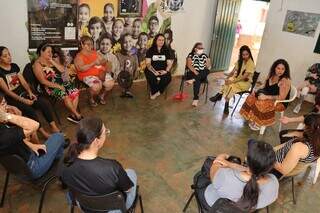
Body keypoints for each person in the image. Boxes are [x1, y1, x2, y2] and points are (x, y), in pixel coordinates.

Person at [60, 117, 138, 212]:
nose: (106, 134)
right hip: (112, 209)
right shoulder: (112, 167)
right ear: (96, 141)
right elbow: (128, 190)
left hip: (84, 206)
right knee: (131, 172)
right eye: (105, 132)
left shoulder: (66, 161)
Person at [0, 93, 65, 179]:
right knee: (58, 136)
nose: (7, 106)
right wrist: (7, 116)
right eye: (4, 104)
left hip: (20, 169)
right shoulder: (4, 133)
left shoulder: (3, 128)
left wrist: (32, 145)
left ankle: (57, 163)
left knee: (55, 147)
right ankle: (60, 168)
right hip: (32, 168)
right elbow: (35, 125)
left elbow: (13, 140)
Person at [0, 46, 60, 138]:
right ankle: (44, 133)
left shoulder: (14, 66)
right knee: (30, 110)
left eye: (9, 54)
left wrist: (30, 92)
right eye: (5, 56)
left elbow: (23, 82)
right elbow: (7, 92)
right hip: (12, 99)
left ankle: (54, 127)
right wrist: (23, 100)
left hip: (23, 94)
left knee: (44, 102)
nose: (9, 57)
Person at [204, 139, 278, 211]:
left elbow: (214, 168)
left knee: (206, 168)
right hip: (244, 210)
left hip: (216, 206)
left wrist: (222, 156)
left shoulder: (225, 177)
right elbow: (250, 173)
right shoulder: (274, 183)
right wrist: (231, 165)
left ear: (246, 159)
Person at [33, 43, 82, 124]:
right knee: (65, 96)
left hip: (61, 83)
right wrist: (58, 86)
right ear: (41, 52)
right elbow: (43, 81)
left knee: (75, 92)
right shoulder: (37, 65)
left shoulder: (50, 60)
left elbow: (62, 70)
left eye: (51, 52)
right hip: (49, 87)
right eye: (48, 52)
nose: (51, 54)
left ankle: (72, 115)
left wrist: (52, 61)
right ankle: (77, 115)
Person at [240, 59, 291, 130]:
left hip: (280, 102)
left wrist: (266, 97)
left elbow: (281, 97)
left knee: (261, 103)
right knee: (251, 97)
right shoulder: (271, 74)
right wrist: (255, 89)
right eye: (278, 68)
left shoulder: (285, 80)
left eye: (283, 69)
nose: (280, 71)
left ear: (286, 70)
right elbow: (264, 85)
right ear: (274, 68)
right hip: (268, 95)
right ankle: (252, 117)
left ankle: (259, 123)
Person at [272, 113, 320, 179]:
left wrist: (268, 157)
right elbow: (289, 144)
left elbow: (282, 170)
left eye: (305, 126)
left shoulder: (299, 148)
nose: (303, 128)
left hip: (275, 168)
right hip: (281, 158)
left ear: (310, 130)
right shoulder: (315, 141)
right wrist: (273, 149)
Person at [210, 45, 255, 114]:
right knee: (228, 82)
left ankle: (220, 96)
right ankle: (224, 101)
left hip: (245, 83)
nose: (245, 56)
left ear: (249, 54)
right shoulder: (240, 61)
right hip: (237, 80)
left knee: (231, 86)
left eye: (247, 54)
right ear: (241, 55)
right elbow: (232, 72)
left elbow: (243, 77)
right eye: (243, 55)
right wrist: (226, 79)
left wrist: (232, 81)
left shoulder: (251, 63)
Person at [74, 36, 112, 106]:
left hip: (100, 73)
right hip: (87, 75)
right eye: (87, 44)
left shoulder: (95, 53)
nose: (90, 46)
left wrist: (106, 65)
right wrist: (93, 63)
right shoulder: (79, 56)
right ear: (82, 45)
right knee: (96, 87)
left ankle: (101, 96)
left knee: (110, 84)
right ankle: (91, 98)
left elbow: (104, 61)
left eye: (91, 44)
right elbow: (81, 69)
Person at [145, 34, 173, 100]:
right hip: (151, 69)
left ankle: (158, 92)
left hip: (163, 70)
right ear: (156, 41)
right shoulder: (150, 50)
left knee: (167, 78)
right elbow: (148, 64)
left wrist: (166, 71)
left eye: (163, 40)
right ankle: (155, 91)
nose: (161, 41)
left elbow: (169, 64)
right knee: (152, 77)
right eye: (159, 40)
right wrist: (154, 72)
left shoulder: (166, 50)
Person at [185, 42, 211, 107]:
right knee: (197, 80)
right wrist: (194, 71)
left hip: (202, 73)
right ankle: (196, 98)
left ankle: (193, 80)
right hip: (192, 72)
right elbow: (189, 65)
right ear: (195, 48)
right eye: (200, 48)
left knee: (207, 70)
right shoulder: (191, 55)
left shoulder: (205, 55)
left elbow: (209, 66)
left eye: (202, 48)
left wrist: (208, 62)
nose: (201, 49)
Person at [115, 34, 138, 98]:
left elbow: (135, 70)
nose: (128, 44)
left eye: (130, 41)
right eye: (125, 42)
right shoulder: (117, 55)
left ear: (132, 42)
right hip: (120, 83)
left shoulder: (134, 56)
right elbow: (116, 71)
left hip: (131, 83)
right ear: (121, 43)